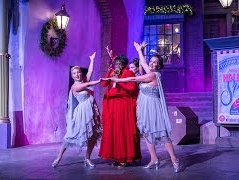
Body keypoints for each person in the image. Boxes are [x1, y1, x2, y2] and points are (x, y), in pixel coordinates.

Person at [104, 42, 180, 173]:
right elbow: (143, 63)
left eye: (155, 62)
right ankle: (154, 159)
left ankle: (174, 159)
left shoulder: (153, 75)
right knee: (146, 132)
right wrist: (140, 51)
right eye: (151, 61)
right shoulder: (149, 70)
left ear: (159, 66)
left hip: (153, 107)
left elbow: (133, 80)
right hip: (144, 106)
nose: (151, 64)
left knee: (161, 134)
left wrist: (118, 80)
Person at [52, 52, 102, 168]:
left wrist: (92, 60)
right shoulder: (74, 86)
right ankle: (59, 157)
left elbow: (89, 73)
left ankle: (87, 158)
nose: (77, 74)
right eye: (74, 73)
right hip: (82, 113)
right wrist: (98, 81)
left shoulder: (83, 81)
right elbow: (89, 83)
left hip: (91, 111)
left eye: (78, 72)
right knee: (71, 134)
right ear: (72, 76)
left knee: (93, 135)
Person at [98, 54, 142, 167]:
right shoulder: (113, 71)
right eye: (116, 63)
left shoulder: (129, 73)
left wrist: (118, 81)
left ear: (124, 64)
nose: (117, 65)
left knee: (122, 129)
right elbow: (103, 84)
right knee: (113, 130)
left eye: (120, 63)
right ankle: (117, 157)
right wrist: (109, 73)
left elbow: (132, 88)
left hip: (123, 104)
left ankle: (125, 157)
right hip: (112, 104)